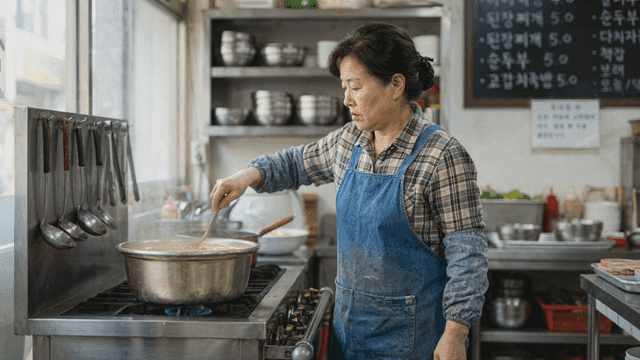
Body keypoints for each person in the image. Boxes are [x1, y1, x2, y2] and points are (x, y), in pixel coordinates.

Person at [210, 22, 489, 360]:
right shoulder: (349, 141)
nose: (346, 99)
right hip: (351, 334)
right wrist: (245, 176)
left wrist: (456, 334)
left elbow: (468, 256)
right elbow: (296, 162)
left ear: (396, 85)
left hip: (415, 341)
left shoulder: (442, 155)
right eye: (344, 86)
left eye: (355, 86)